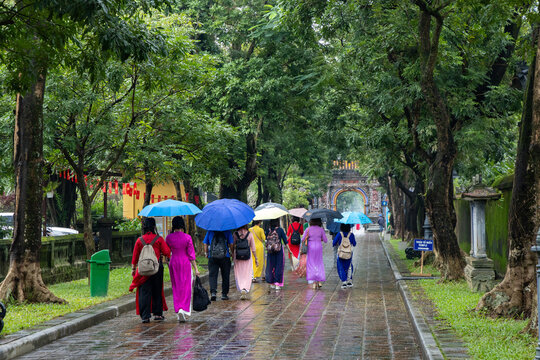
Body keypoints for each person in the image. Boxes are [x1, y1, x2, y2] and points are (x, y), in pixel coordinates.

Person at [129, 217, 171, 323]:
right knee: (157, 290)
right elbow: (167, 252)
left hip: (143, 269)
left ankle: (145, 316)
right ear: (154, 227)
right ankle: (157, 314)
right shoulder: (159, 239)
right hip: (156, 268)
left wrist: (133, 269)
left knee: (144, 292)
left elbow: (135, 256)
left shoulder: (139, 240)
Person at [165, 216, 200, 322]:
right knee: (186, 286)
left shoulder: (169, 238)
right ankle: (183, 309)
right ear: (182, 225)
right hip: (185, 263)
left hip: (173, 263)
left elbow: (166, 253)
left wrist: (168, 262)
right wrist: (196, 268)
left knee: (176, 286)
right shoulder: (187, 237)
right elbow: (191, 255)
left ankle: (178, 308)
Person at [203, 230, 234, 301]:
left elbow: (205, 243)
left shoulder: (210, 231)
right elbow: (231, 243)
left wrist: (206, 253)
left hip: (212, 256)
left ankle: (213, 292)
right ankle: (224, 294)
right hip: (225, 256)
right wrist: (232, 253)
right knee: (225, 275)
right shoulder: (227, 231)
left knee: (212, 275)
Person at [233, 225, 259, 299]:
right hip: (247, 256)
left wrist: (232, 253)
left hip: (237, 256)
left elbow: (232, 244)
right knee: (247, 273)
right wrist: (256, 258)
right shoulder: (249, 234)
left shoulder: (235, 234)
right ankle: (245, 288)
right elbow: (253, 248)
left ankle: (241, 288)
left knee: (239, 273)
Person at [301, 218, 328, 289]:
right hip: (319, 247)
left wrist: (308, 237)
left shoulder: (308, 229)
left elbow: (302, 239)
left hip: (311, 247)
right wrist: (320, 238)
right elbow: (325, 240)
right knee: (319, 263)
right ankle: (319, 281)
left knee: (311, 264)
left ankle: (314, 282)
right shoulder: (321, 229)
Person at [265, 219, 290, 291]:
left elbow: (266, 240)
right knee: (279, 266)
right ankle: (277, 284)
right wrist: (289, 250)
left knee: (270, 266)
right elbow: (285, 241)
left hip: (270, 251)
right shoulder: (280, 230)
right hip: (279, 251)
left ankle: (271, 282)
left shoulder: (267, 230)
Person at [333, 223, 356, 289]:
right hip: (349, 253)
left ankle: (344, 282)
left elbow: (333, 243)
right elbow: (354, 244)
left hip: (341, 253)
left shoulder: (339, 234)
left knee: (341, 266)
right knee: (349, 266)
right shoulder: (351, 235)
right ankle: (349, 281)